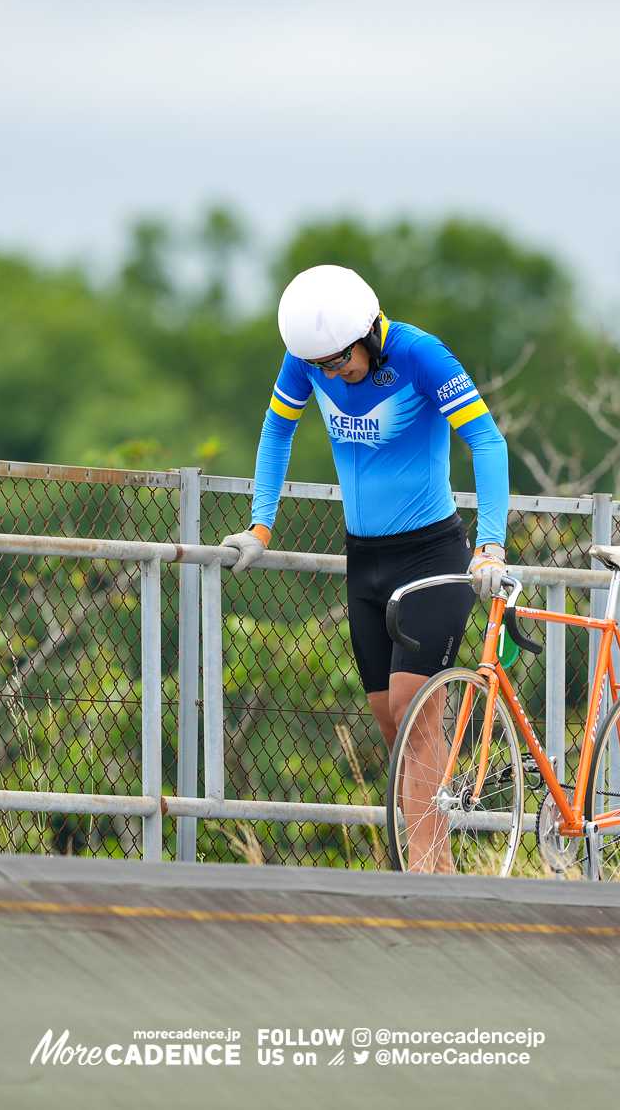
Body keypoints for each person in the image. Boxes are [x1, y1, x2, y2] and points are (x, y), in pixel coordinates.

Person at [219, 264, 511, 871]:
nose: (330, 373)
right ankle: (437, 864)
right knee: (392, 727)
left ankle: (426, 875)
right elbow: (277, 433)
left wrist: (491, 545)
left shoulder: (419, 355)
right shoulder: (306, 359)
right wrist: (260, 526)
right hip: (366, 562)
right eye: (319, 365)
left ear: (369, 332)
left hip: (431, 554)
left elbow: (487, 441)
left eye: (339, 361)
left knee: (413, 711)